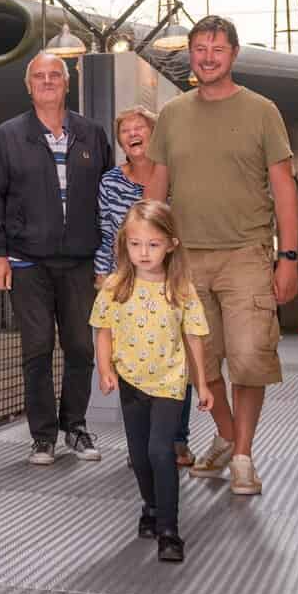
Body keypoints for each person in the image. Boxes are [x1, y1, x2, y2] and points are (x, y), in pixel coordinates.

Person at [143, 15, 298, 497]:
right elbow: (156, 186)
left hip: (246, 254)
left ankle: (243, 456)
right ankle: (228, 435)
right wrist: (146, 252)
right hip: (186, 258)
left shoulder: (262, 111)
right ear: (189, 54)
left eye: (217, 48)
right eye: (199, 48)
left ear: (233, 55)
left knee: (250, 357)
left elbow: (283, 187)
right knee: (201, 363)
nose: (207, 57)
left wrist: (289, 256)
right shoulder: (172, 114)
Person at [0, 51, 117, 465]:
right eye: (38, 76)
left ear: (66, 83)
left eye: (54, 75)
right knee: (37, 348)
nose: (46, 82)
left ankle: (74, 426)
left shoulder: (91, 134)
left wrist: (108, 259)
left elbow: (107, 198)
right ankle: (43, 436)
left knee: (81, 347)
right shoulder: (8, 135)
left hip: (80, 260)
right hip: (27, 260)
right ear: (28, 86)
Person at [92, 200, 212, 563]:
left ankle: (169, 530)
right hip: (131, 382)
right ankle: (150, 504)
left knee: (162, 451)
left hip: (170, 383)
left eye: (153, 244)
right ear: (124, 244)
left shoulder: (181, 288)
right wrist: (105, 369)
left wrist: (202, 384)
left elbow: (195, 336)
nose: (143, 253)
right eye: (135, 244)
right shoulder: (116, 286)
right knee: (140, 456)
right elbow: (103, 329)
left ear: (172, 244)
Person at [96, 105, 194, 466]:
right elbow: (107, 232)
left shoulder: (174, 176)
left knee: (174, 356)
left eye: (141, 128)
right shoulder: (110, 181)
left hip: (169, 280)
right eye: (125, 130)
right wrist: (105, 274)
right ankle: (141, 443)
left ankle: (176, 439)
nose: (133, 133)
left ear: (156, 136)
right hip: (126, 283)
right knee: (132, 355)